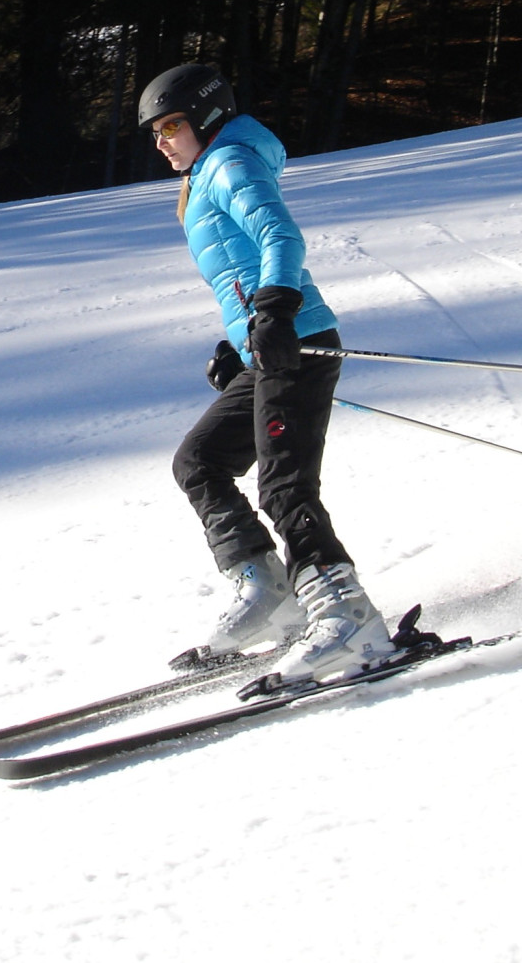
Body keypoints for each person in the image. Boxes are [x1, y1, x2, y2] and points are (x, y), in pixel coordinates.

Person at [137, 63, 396, 684]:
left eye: (171, 125)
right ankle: (268, 591)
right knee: (198, 460)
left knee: (285, 487)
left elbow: (279, 234)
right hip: (267, 345)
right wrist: (239, 339)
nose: (162, 141)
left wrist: (276, 308)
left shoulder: (229, 163)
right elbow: (240, 265)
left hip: (297, 340)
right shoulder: (208, 171)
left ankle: (347, 616)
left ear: (206, 116)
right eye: (154, 132)